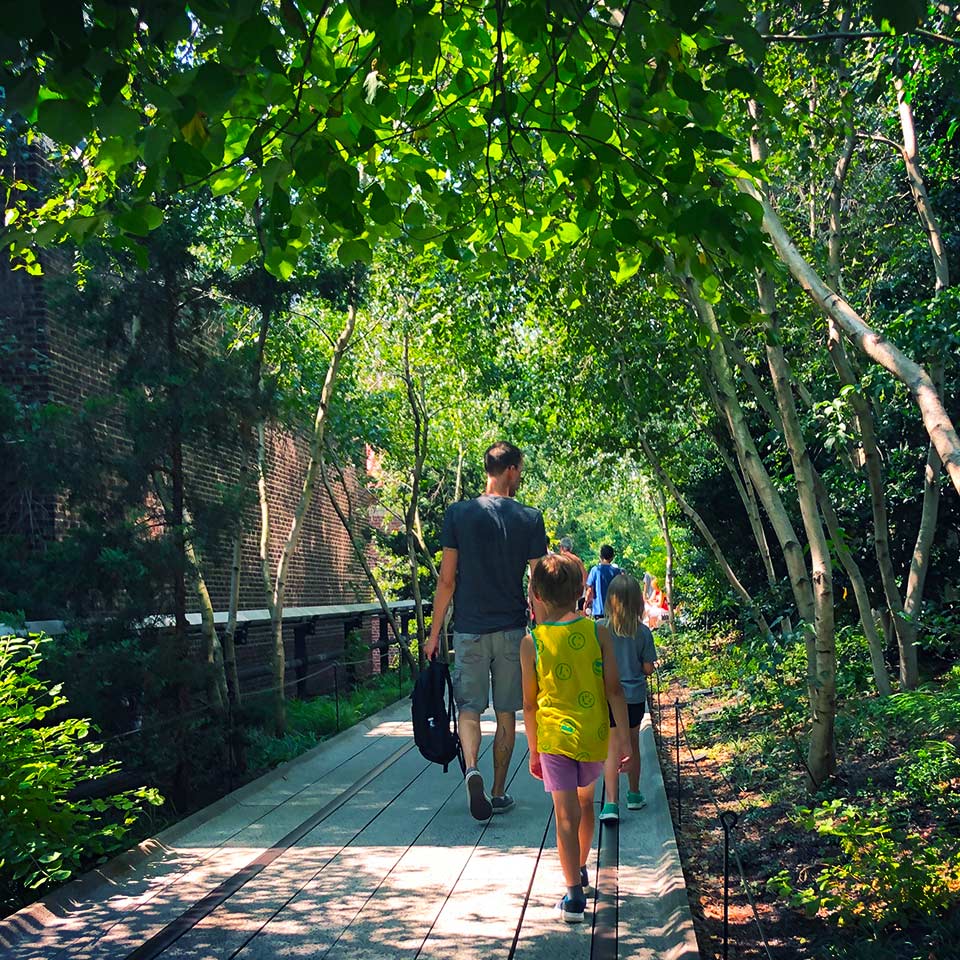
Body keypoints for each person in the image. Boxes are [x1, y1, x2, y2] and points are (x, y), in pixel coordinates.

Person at [423, 441, 547, 821]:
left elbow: (447, 581)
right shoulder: (529, 517)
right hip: (512, 631)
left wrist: (433, 636)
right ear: (510, 469)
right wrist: (543, 632)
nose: (521, 476)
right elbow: (538, 583)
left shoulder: (459, 514)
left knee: (470, 710)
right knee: (507, 713)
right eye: (520, 470)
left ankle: (472, 766)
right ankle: (496, 791)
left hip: (469, 631)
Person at [520, 553, 630, 924]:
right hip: (592, 732)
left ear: (537, 594)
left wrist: (533, 749)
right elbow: (613, 688)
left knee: (563, 814)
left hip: (553, 737)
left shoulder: (531, 643)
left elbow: (529, 705)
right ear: (581, 592)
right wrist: (625, 740)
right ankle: (581, 867)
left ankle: (573, 896)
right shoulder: (598, 631)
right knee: (586, 805)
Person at [597, 574, 657, 823]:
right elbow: (648, 668)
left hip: (608, 696)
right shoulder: (643, 633)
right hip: (633, 697)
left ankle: (611, 802)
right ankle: (634, 794)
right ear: (638, 603)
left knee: (611, 748)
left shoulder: (600, 630)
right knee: (632, 745)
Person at [583, 544, 621, 619]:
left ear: (600, 556)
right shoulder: (616, 572)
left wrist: (586, 601)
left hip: (598, 610)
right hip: (613, 610)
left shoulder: (595, 570)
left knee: (599, 629)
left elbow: (590, 589)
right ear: (612, 557)